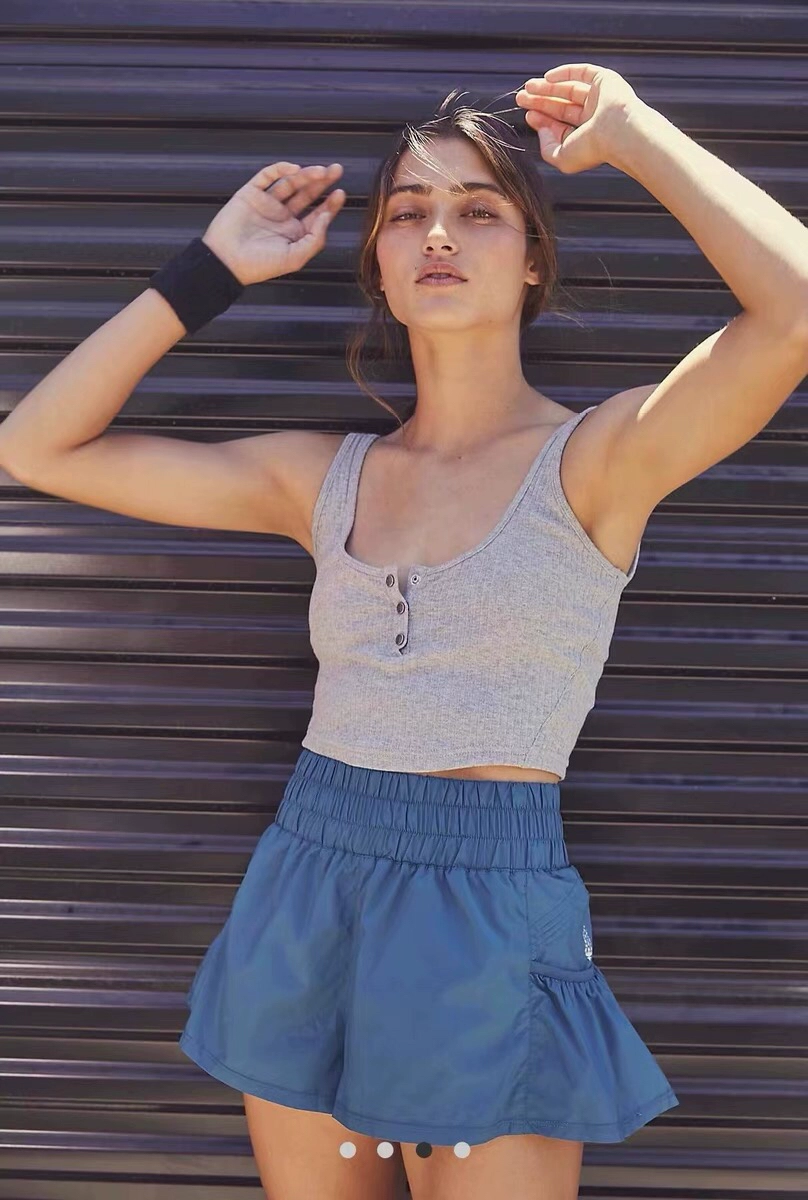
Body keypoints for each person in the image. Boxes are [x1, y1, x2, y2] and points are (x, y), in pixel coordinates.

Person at [2, 61, 807, 1200]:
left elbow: (795, 313)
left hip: (486, 910)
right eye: (406, 213)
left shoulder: (600, 461)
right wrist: (211, 270)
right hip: (308, 882)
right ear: (377, 264)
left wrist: (632, 133)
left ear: (532, 259)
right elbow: (36, 448)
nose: (437, 233)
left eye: (478, 211)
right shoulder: (318, 479)